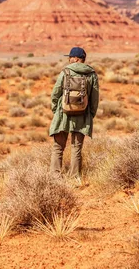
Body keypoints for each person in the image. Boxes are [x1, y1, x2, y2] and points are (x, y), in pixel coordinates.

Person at [49, 47, 100, 178]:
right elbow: (94, 98)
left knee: (58, 147)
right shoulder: (92, 74)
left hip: (63, 114)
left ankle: (55, 177)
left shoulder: (65, 72)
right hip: (82, 115)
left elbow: (55, 93)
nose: (69, 59)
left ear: (76, 59)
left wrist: (56, 110)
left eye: (70, 57)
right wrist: (90, 114)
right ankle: (74, 177)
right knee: (76, 149)